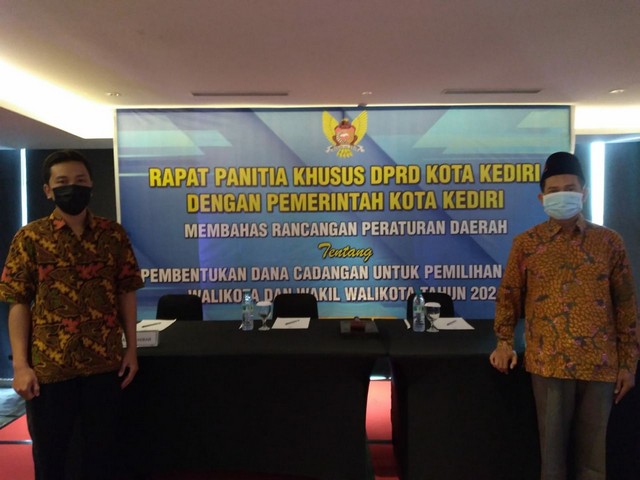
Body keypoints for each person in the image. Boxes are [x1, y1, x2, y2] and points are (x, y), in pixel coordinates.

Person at [489, 151, 639, 480]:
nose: (562, 195)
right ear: (542, 198)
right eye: (553, 191)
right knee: (552, 463)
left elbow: (626, 304)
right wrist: (504, 342)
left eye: (569, 189)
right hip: (549, 364)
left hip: (600, 365)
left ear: (583, 192)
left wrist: (629, 363)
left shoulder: (609, 242)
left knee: (593, 464)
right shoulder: (527, 244)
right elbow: (509, 295)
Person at [0, 150, 144, 479]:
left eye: (80, 180)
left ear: (91, 185)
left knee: (103, 455)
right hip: (50, 370)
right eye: (62, 181)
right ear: (47, 190)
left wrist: (132, 349)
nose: (72, 187)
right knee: (51, 457)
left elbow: (126, 291)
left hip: (104, 363)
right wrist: (20, 366)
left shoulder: (113, 235)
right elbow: (17, 302)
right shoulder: (30, 238)